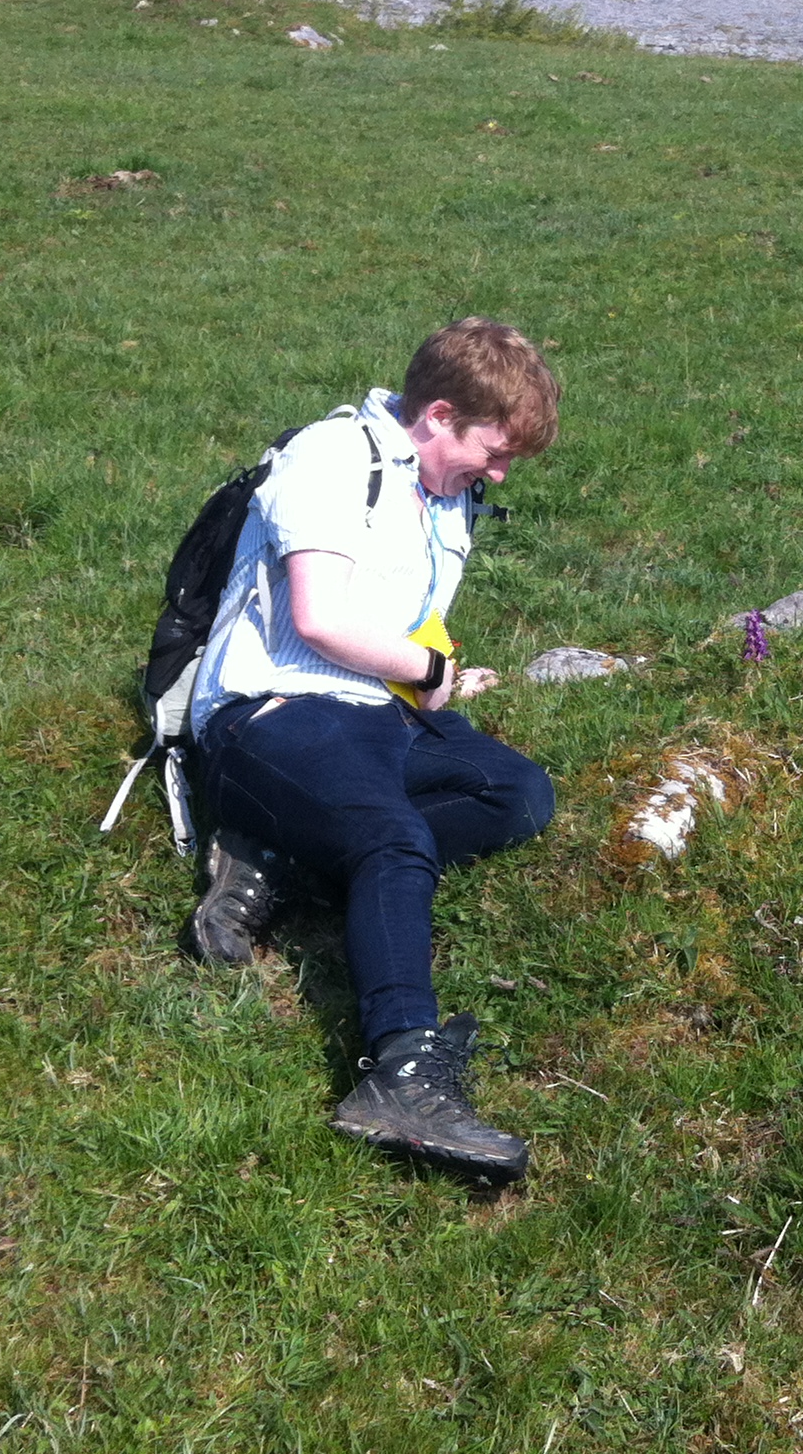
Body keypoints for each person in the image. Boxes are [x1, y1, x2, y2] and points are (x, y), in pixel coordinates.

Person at [183, 317, 560, 1183]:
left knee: (518, 794)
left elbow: (397, 610)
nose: (499, 475)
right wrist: (428, 665)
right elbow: (317, 618)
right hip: (270, 714)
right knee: (391, 839)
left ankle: (274, 864)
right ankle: (401, 1074)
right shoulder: (330, 459)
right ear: (436, 415)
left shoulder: (441, 486)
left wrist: (440, 673)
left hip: (375, 713)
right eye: (493, 452)